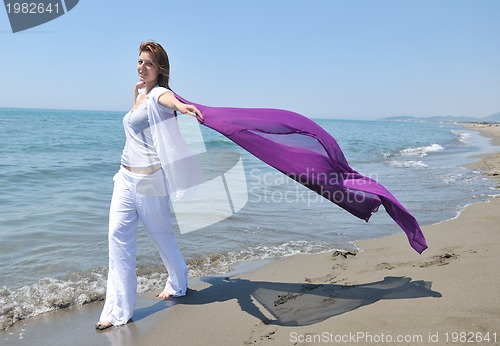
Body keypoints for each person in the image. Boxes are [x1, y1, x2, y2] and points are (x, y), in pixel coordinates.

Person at [95, 41, 203, 330]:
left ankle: (178, 281)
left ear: (160, 69)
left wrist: (183, 106)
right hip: (124, 177)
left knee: (161, 236)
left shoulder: (159, 94)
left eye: (149, 64)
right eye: (140, 61)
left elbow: (170, 102)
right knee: (117, 238)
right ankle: (118, 310)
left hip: (150, 180)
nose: (142, 67)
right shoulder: (139, 91)